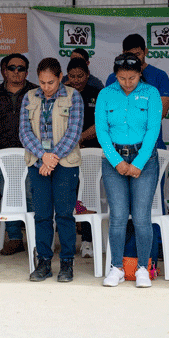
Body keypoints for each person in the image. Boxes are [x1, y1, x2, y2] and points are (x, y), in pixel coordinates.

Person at [98, 53, 162, 288]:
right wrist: (117, 162)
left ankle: (142, 267)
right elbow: (102, 131)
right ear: (115, 75)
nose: (127, 83)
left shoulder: (151, 93)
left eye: (132, 78)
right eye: (122, 78)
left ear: (140, 74)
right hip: (113, 159)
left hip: (144, 159)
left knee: (142, 217)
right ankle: (116, 268)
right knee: (117, 216)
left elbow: (153, 130)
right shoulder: (106, 94)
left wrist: (138, 163)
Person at [20, 57, 84, 282]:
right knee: (42, 215)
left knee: (65, 214)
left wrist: (52, 159)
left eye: (51, 82)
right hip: (38, 163)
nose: (46, 87)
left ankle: (67, 263)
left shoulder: (73, 96)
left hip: (64, 164)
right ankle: (44, 262)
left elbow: (74, 132)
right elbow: (24, 132)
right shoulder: (29, 97)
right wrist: (43, 156)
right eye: (42, 82)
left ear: (60, 78)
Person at [0, 53, 37, 255]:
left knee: (31, 193)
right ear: (5, 71)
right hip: (2, 154)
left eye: (20, 68)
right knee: (9, 194)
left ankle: (36, 239)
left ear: (27, 72)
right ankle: (15, 238)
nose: (16, 72)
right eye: (12, 68)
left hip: (30, 153)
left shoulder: (36, 92)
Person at [105, 33, 169, 147]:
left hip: (152, 145)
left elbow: (161, 112)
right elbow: (109, 113)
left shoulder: (160, 75)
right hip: (120, 145)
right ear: (123, 53)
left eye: (137, 54)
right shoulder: (113, 78)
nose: (134, 59)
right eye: (130, 55)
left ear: (145, 51)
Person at [66, 57, 100, 257]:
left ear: (87, 75)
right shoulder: (62, 93)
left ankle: (88, 240)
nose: (77, 80)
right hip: (67, 152)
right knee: (68, 195)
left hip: (91, 151)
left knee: (88, 195)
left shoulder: (97, 93)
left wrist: (79, 138)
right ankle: (68, 241)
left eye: (80, 76)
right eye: (72, 76)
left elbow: (100, 123)